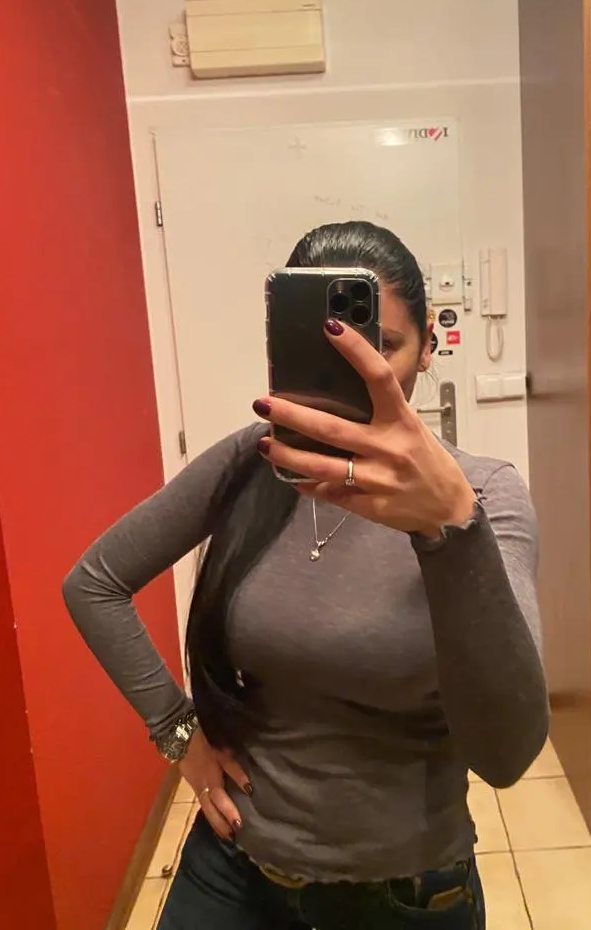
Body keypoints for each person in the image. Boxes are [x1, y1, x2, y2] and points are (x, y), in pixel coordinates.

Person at [64, 221, 549, 930]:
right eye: (323, 350)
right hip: (233, 869)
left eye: (382, 347)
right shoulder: (251, 461)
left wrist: (450, 529)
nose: (358, 375)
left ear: (428, 348)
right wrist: (178, 735)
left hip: (405, 895)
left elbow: (506, 756)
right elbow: (94, 582)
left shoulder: (484, 495)